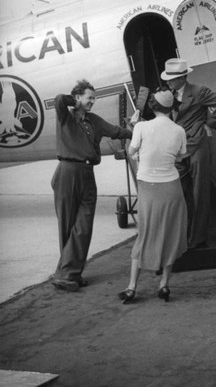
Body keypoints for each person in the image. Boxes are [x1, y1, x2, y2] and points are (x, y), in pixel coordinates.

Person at [51, 79, 132, 292]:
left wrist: (137, 130)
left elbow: (116, 131)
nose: (93, 102)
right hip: (67, 171)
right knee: (67, 226)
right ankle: (71, 275)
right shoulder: (65, 117)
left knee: (84, 225)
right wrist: (74, 102)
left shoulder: (94, 120)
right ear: (78, 98)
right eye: (90, 97)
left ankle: (67, 273)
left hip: (87, 173)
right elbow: (59, 100)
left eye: (94, 98)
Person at [118, 88, 188, 304]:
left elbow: (130, 152)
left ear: (153, 107)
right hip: (172, 188)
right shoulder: (179, 130)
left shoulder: (141, 126)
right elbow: (181, 156)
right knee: (170, 234)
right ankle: (164, 285)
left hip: (148, 188)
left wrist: (132, 125)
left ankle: (131, 288)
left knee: (145, 234)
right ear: (171, 109)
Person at [160, 58, 216, 249]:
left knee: (199, 191)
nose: (168, 82)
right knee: (180, 190)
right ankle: (184, 234)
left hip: (197, 145)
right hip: (178, 148)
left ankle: (198, 238)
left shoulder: (199, 92)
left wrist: (210, 124)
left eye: (172, 78)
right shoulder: (170, 94)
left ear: (183, 77)